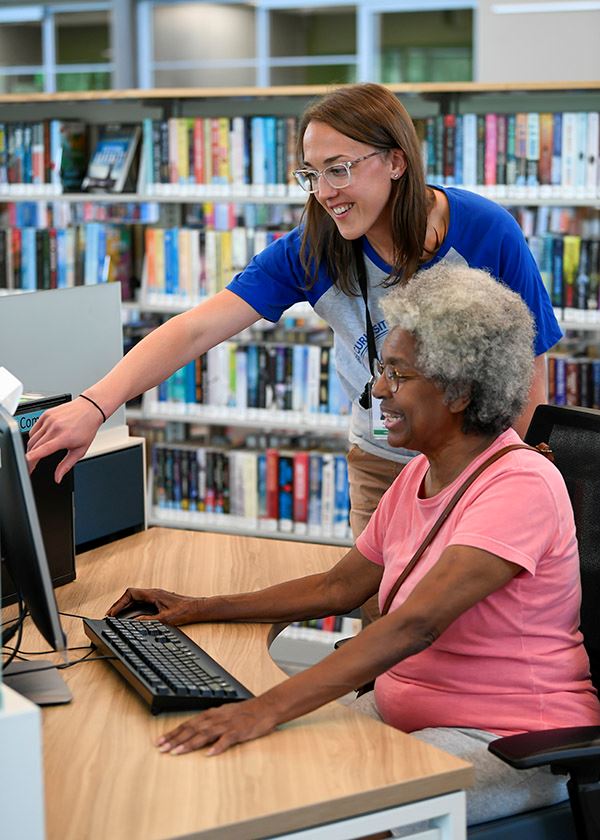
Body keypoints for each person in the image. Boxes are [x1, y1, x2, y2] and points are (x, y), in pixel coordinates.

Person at [26, 83, 561, 621]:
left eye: (340, 168)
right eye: (311, 173)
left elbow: (530, 376)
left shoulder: (486, 232)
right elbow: (195, 330)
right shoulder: (314, 247)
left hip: (479, 463)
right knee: (387, 624)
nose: (324, 192)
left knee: (474, 629)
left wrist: (504, 479)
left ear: (396, 161)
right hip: (384, 461)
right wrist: (94, 406)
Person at [106, 264, 600, 826]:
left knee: (316, 810)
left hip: (509, 740)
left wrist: (262, 710)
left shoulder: (521, 485)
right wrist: (200, 607)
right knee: (246, 777)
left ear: (460, 391)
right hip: (402, 717)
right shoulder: (421, 474)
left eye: (398, 373)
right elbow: (338, 587)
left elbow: (417, 624)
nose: (379, 389)